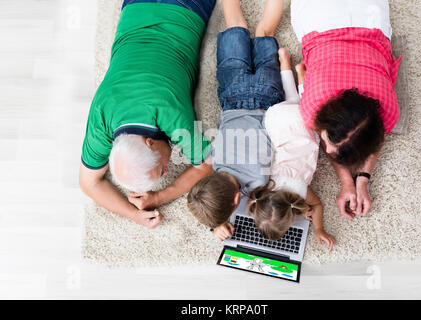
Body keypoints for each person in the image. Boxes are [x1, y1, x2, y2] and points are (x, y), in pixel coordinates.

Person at [78, 0, 217, 230]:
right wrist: (133, 214)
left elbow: (207, 165)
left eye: (162, 167)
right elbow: (87, 183)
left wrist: (160, 197)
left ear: (150, 142)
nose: (167, 169)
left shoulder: (171, 113)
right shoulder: (102, 113)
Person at [291, 0, 402, 219]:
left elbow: (376, 136)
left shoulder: (388, 110)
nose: (329, 152)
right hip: (318, 18)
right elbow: (376, 138)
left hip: (368, 16)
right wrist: (349, 181)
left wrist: (359, 181)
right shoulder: (312, 106)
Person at [214, 48, 336, 247]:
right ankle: (286, 63)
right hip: (277, 118)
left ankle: (296, 70)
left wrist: (318, 228)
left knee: (305, 106)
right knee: (291, 100)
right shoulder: (264, 183)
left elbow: (318, 205)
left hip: (303, 130)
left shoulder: (300, 192)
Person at [187, 0, 285, 234]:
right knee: (235, 25)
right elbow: (213, 188)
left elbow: (257, 206)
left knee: (265, 32)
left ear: (235, 202)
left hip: (266, 97)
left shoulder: (257, 184)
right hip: (233, 94)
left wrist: (218, 225)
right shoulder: (216, 161)